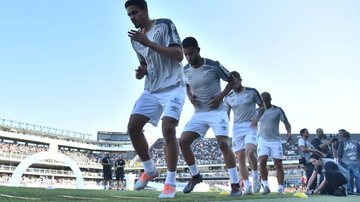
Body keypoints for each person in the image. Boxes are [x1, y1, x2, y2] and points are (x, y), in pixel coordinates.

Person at [125, 0, 186, 198]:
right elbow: (145, 63)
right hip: (152, 90)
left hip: (174, 87)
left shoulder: (164, 24)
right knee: (133, 128)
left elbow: (179, 55)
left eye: (134, 13)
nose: (132, 18)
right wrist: (141, 71)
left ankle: (170, 182)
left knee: (168, 128)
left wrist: (150, 43)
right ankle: (150, 170)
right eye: (129, 15)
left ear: (145, 10)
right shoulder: (135, 40)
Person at [178, 37, 241, 197]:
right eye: (186, 54)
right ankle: (195, 176)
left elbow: (232, 80)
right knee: (183, 141)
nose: (189, 57)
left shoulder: (213, 65)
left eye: (191, 53)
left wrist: (220, 97)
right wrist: (190, 95)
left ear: (198, 50)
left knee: (223, 144)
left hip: (218, 111)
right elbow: (186, 85)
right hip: (199, 113)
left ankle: (235, 186)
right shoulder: (185, 69)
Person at [224, 71, 265, 195]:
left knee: (249, 151)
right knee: (241, 158)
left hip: (250, 125)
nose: (234, 85)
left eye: (235, 81)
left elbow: (262, 106)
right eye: (231, 83)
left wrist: (257, 119)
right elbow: (226, 114)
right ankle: (247, 187)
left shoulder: (252, 92)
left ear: (240, 80)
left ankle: (256, 177)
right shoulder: (228, 97)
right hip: (237, 128)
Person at [257, 92, 292, 194]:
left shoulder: (277, 110)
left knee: (278, 165)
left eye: (266, 100)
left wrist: (289, 132)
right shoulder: (258, 111)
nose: (264, 102)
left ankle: (280, 188)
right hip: (262, 140)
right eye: (262, 100)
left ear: (270, 99)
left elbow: (286, 122)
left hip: (275, 140)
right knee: (262, 161)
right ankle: (266, 187)